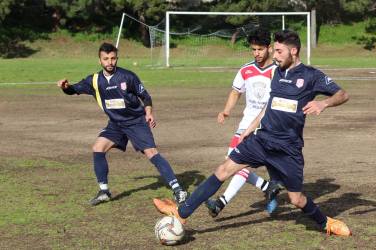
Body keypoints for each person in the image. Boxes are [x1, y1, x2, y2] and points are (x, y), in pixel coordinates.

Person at [153, 30, 351, 236]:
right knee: (223, 169)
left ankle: (325, 222)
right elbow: (269, 105)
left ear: (294, 51)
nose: (275, 56)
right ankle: (182, 212)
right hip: (262, 139)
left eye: (280, 51)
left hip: (287, 148)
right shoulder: (277, 72)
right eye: (274, 51)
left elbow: (343, 94)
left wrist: (323, 103)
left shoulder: (311, 76)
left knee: (296, 199)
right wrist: (249, 129)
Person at [57, 42, 188, 206]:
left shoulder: (128, 76)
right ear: (100, 60)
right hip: (116, 123)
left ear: (116, 58)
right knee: (98, 147)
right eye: (106, 59)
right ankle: (104, 191)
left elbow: (145, 97)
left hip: (135, 121)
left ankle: (179, 190)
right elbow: (73, 89)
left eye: (112, 58)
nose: (109, 62)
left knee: (151, 152)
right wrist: (65, 87)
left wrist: (148, 113)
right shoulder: (95, 80)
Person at [206, 29, 282, 218]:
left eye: (260, 49)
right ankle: (267, 187)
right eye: (253, 49)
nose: (256, 53)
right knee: (233, 162)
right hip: (246, 125)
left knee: (238, 164)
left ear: (270, 49)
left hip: (268, 126)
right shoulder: (246, 70)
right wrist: (226, 110)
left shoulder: (277, 71)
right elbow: (235, 92)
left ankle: (221, 203)